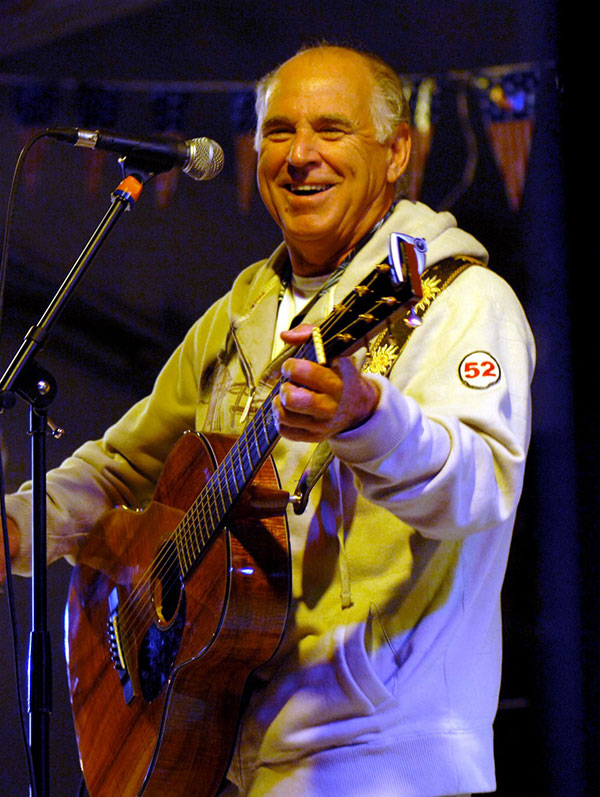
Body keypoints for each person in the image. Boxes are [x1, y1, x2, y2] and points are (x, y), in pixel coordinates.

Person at [2, 44, 535, 796]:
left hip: (388, 757)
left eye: (331, 129)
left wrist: (366, 417)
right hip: (242, 756)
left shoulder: (458, 301)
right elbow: (121, 466)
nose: (300, 155)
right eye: (279, 132)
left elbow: (478, 489)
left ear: (396, 152)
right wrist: (21, 525)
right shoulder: (240, 314)